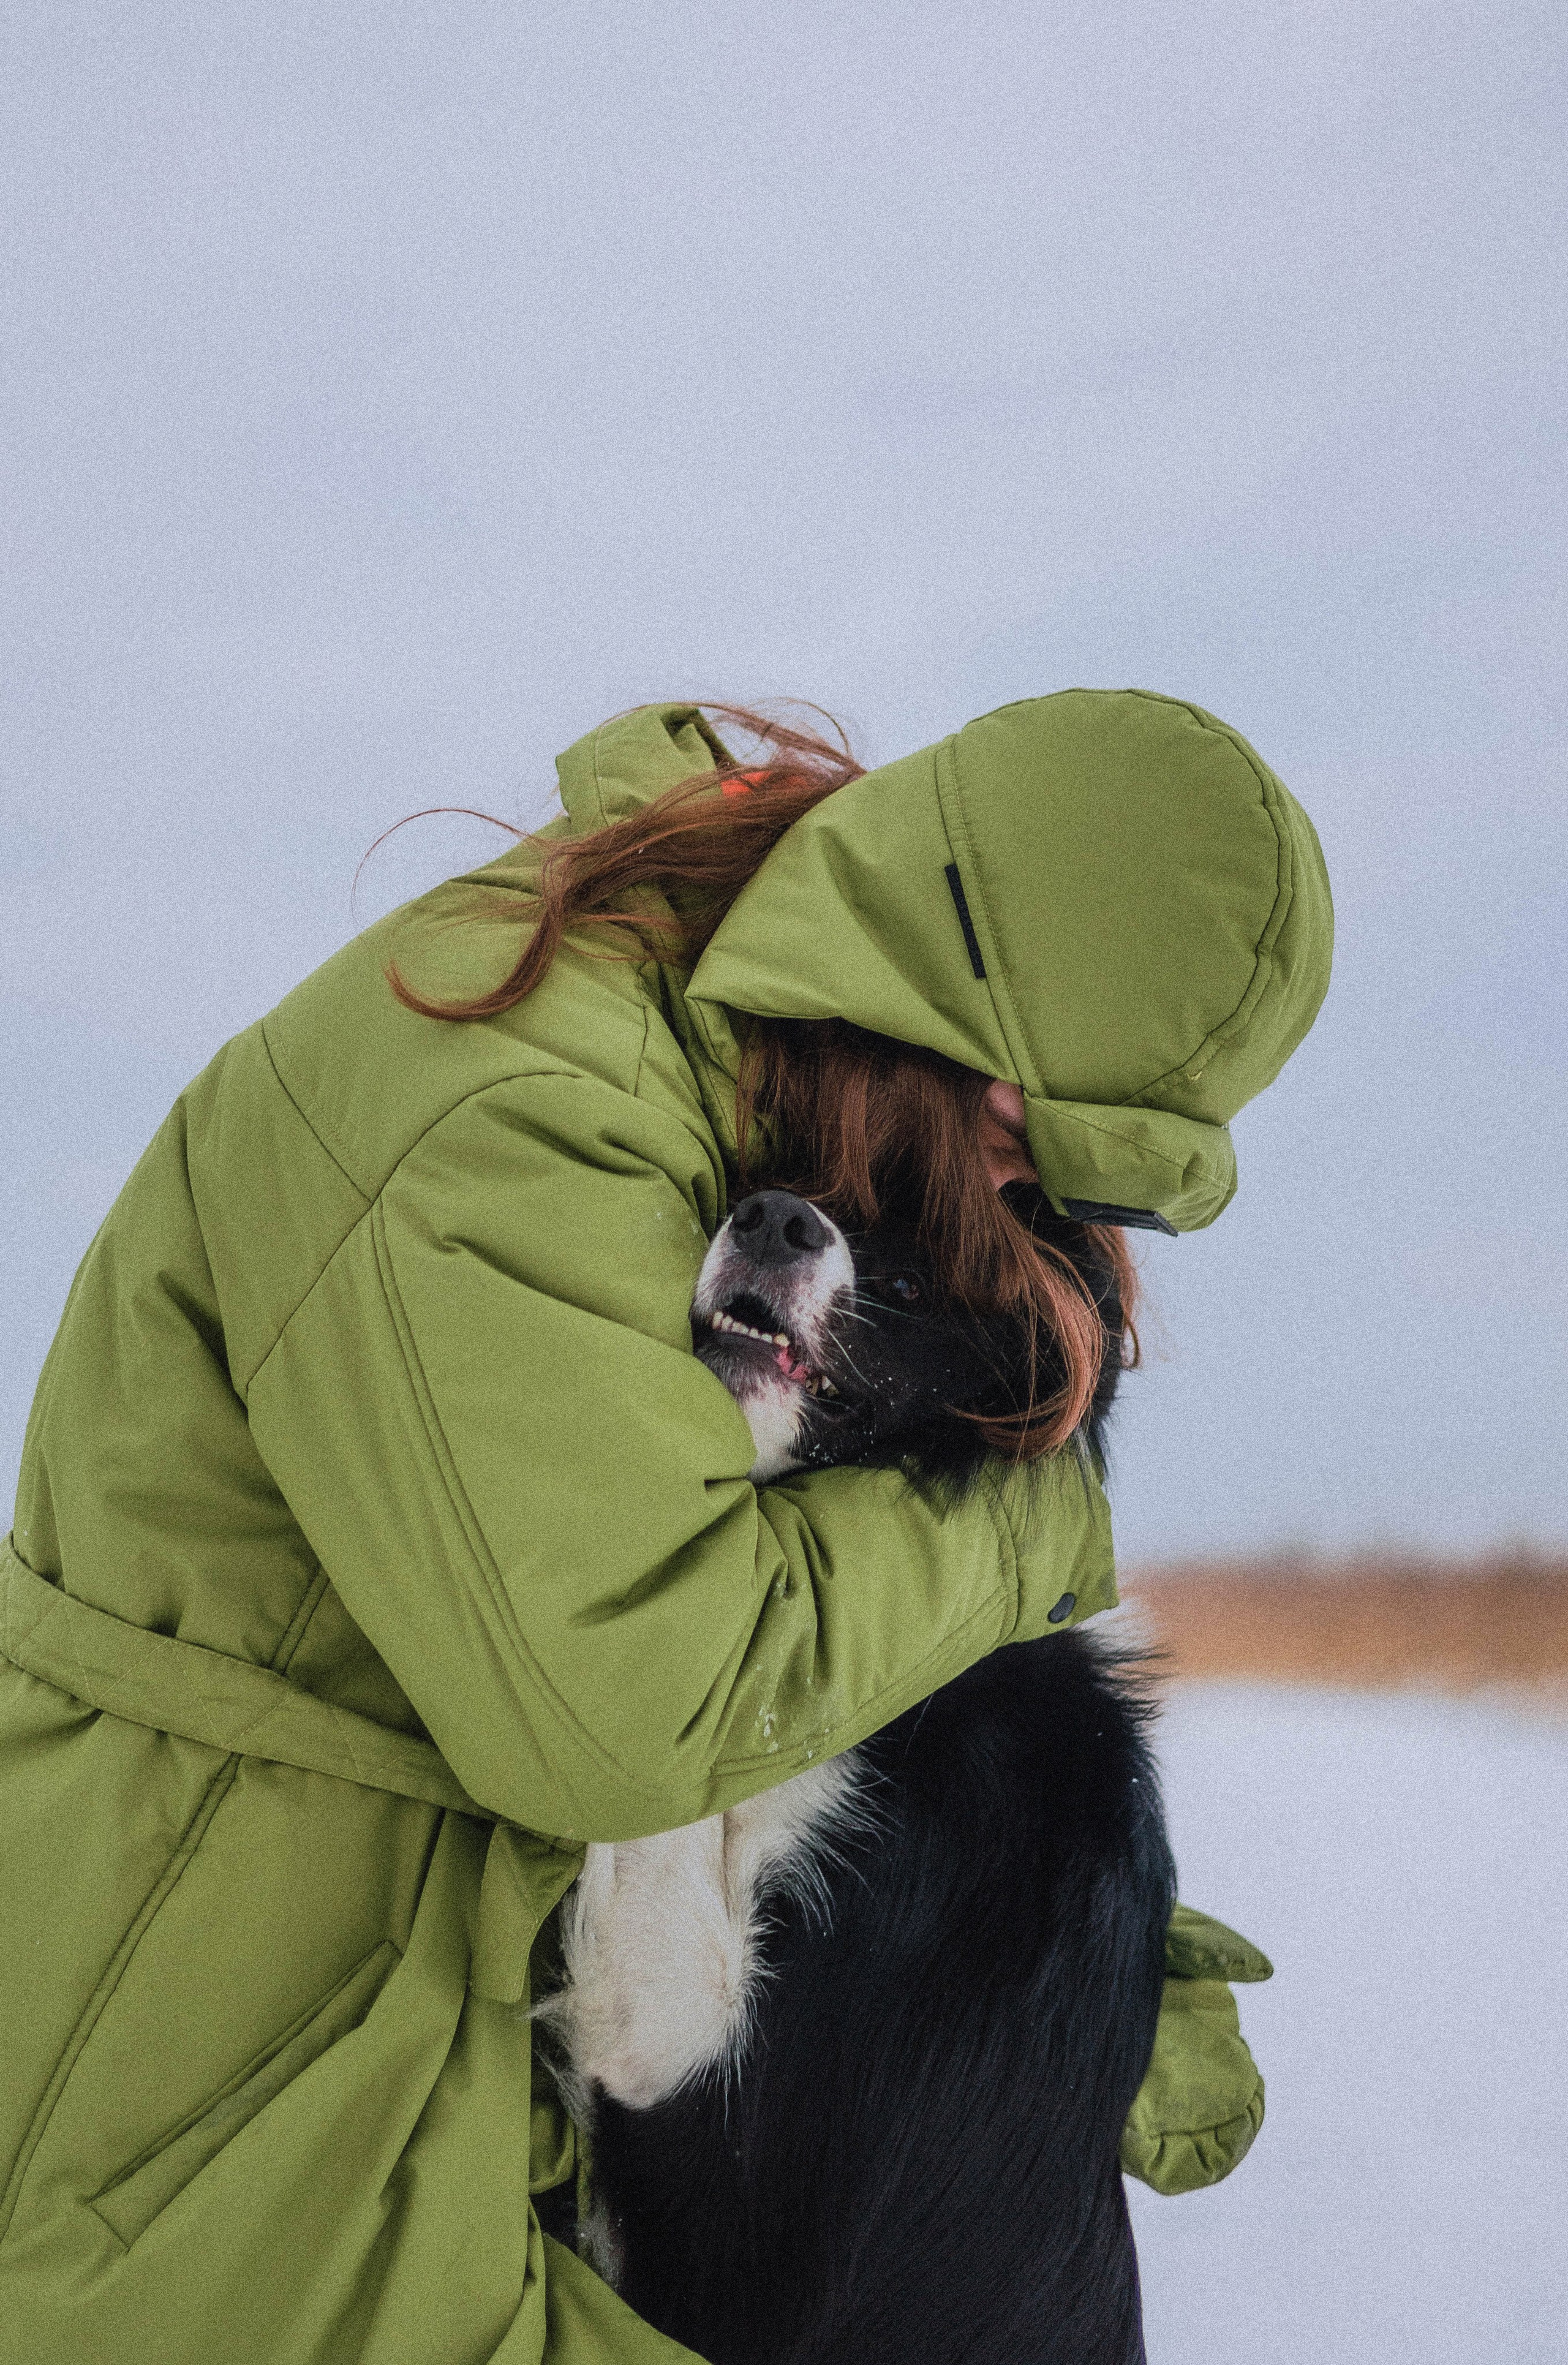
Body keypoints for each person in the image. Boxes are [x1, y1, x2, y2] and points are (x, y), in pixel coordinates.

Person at [0, 691, 1332, 2365]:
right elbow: (636, 1706)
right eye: (1044, 1145)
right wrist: (1021, 1533)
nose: (1029, 1202)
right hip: (214, 2080)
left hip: (422, 2023)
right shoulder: (503, 1104)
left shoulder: (722, 1078)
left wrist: (1026, 1920)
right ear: (975, 1016)